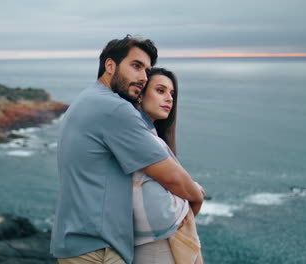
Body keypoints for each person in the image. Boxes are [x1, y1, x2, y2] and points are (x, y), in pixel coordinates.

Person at [50, 35, 204, 264]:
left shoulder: (86, 99)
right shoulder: (115, 108)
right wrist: (197, 197)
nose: (143, 77)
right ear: (110, 66)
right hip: (98, 247)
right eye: (136, 66)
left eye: (146, 70)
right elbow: (171, 176)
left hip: (77, 239)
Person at [132, 68, 204, 264]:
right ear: (140, 94)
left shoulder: (152, 138)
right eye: (161, 90)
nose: (169, 99)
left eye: (172, 94)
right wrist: (195, 193)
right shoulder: (142, 139)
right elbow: (159, 214)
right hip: (153, 247)